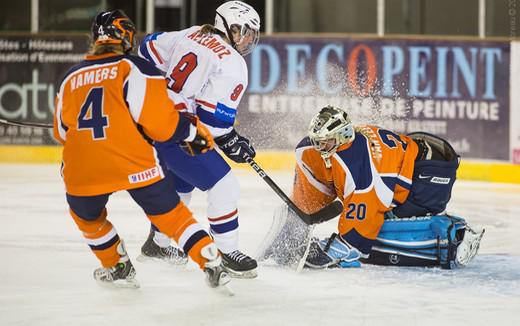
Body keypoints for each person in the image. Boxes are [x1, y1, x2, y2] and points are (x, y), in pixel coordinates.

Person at [53, 9, 231, 291]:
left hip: (84, 171)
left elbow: (62, 133)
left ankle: (116, 265)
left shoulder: (70, 77)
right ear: (126, 36)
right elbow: (160, 124)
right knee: (172, 216)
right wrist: (192, 134)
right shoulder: (136, 68)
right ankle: (209, 259)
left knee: (87, 217)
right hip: (133, 162)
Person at [258, 105, 484, 269]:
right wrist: (297, 223)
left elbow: (362, 224)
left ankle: (453, 239)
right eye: (318, 141)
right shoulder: (342, 146)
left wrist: (341, 247)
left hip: (429, 177)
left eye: (325, 142)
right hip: (416, 157)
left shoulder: (362, 165)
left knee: (374, 237)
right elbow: (314, 195)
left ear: (343, 135)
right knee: (373, 223)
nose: (319, 147)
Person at [136, 1, 260, 278]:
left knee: (183, 182)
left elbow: (147, 46)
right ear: (230, 27)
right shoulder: (232, 62)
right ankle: (225, 252)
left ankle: (158, 244)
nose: (249, 39)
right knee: (225, 185)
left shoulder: (191, 32)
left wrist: (155, 95)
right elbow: (213, 123)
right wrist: (232, 142)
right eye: (246, 32)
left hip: (156, 124)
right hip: (176, 132)